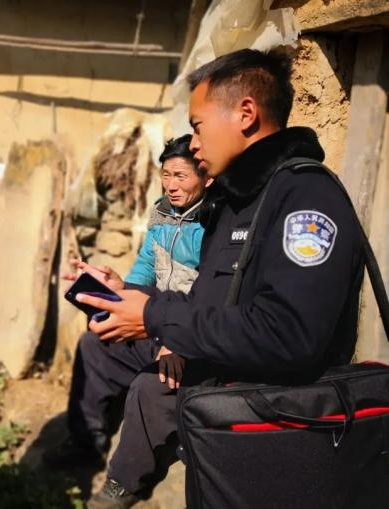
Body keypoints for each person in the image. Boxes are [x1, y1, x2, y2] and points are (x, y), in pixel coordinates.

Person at [78, 49, 364, 508]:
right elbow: (212, 304)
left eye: (197, 126)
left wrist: (156, 316)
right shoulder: (237, 201)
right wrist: (129, 296)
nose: (192, 143)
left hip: (269, 436)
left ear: (246, 113)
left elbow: (287, 335)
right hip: (222, 420)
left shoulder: (305, 196)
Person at [45, 136, 212, 508]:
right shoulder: (161, 216)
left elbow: (211, 298)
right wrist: (117, 287)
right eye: (166, 175)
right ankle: (87, 442)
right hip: (158, 324)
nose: (171, 184)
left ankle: (124, 484)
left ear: (206, 177)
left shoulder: (215, 223)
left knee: (150, 385)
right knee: (95, 345)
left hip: (194, 336)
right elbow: (144, 274)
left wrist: (178, 340)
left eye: (181, 176)